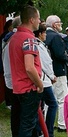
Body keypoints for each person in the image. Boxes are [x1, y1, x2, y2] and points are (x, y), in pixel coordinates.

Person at [8, 5, 43, 136]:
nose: (40, 21)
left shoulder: (14, 37)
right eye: (38, 18)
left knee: (21, 124)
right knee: (27, 126)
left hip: (17, 88)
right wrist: (40, 85)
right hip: (29, 88)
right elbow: (29, 67)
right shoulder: (29, 38)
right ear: (32, 20)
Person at [45, 15, 68, 132]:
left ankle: (46, 123)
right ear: (55, 25)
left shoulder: (43, 35)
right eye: (59, 23)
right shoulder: (56, 37)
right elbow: (60, 54)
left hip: (47, 72)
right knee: (63, 98)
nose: (61, 24)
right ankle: (62, 124)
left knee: (48, 99)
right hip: (58, 71)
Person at [34, 24, 58, 137]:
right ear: (40, 34)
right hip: (44, 80)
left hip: (42, 79)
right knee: (53, 104)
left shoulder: (38, 44)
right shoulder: (38, 45)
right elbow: (46, 63)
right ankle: (48, 131)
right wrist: (52, 76)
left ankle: (40, 130)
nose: (46, 35)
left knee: (40, 106)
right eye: (44, 33)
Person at [2, 16, 22, 137]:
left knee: (16, 112)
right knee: (21, 114)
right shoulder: (16, 39)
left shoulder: (8, 38)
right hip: (17, 80)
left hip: (10, 78)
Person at [0, 19, 13, 109]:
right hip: (5, 62)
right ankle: (9, 102)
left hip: (6, 62)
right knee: (8, 82)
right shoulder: (6, 37)